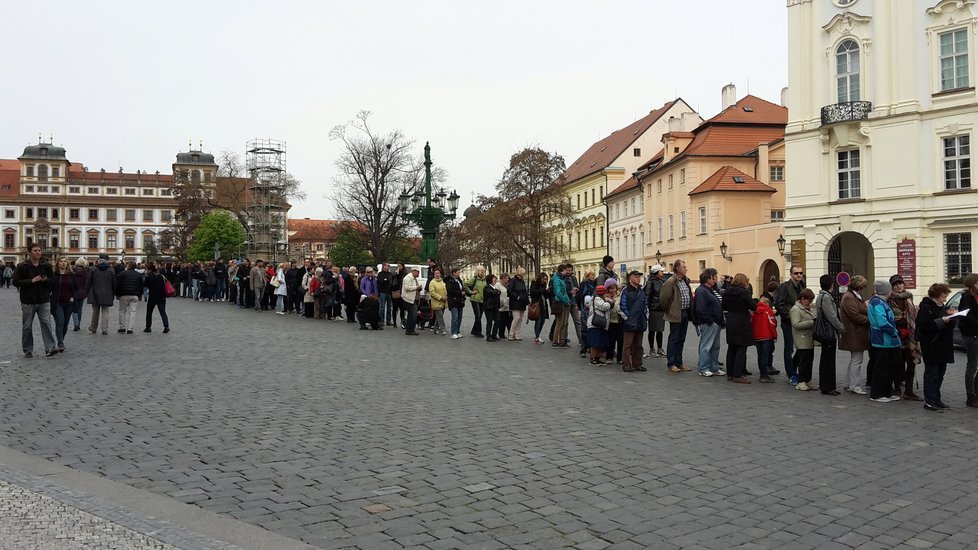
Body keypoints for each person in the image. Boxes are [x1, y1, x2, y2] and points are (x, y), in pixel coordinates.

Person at [916, 283, 956, 412]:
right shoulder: (926, 307)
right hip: (932, 346)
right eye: (944, 295)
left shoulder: (940, 307)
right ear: (937, 295)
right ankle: (929, 401)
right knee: (931, 374)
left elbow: (946, 324)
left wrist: (952, 317)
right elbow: (924, 327)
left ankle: (936, 399)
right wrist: (942, 321)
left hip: (943, 346)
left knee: (940, 374)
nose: (945, 298)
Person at [14, 244, 57, 357]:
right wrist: (31, 281)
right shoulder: (22, 266)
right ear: (29, 252)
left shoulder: (46, 266)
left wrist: (46, 280)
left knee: (46, 323)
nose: (38, 252)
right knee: (27, 326)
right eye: (35, 250)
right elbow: (16, 282)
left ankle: (50, 347)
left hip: (44, 299)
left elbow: (53, 281)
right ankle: (28, 350)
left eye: (39, 250)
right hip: (28, 300)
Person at [888, 274, 921, 401]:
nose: (899, 286)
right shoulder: (889, 299)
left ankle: (909, 390)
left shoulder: (909, 297)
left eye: (900, 283)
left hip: (910, 335)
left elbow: (913, 315)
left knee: (911, 362)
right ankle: (896, 387)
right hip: (896, 334)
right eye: (895, 284)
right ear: (892, 287)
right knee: (897, 362)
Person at [868, 280, 902, 403]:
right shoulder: (877, 302)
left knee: (889, 368)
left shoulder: (881, 301)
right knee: (881, 369)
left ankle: (887, 392)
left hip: (888, 342)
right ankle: (877, 394)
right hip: (882, 341)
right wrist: (894, 331)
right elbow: (882, 321)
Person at [659, 259, 693, 373]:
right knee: (674, 338)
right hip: (675, 313)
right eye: (684, 267)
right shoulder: (671, 281)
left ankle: (679, 362)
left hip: (685, 312)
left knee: (681, 339)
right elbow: (663, 298)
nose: (686, 269)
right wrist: (669, 310)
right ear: (678, 269)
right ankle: (672, 363)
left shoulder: (685, 280)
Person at [775, 265, 807, 385]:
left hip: (800, 321)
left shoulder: (801, 285)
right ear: (791, 274)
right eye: (796, 273)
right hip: (788, 322)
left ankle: (793, 367)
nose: (799, 275)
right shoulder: (784, 287)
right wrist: (789, 318)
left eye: (800, 273)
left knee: (801, 347)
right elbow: (779, 304)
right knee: (789, 348)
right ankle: (791, 374)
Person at [814, 274, 845, 396]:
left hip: (826, 331)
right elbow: (831, 316)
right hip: (828, 332)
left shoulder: (820, 296)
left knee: (826, 359)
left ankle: (826, 385)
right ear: (830, 284)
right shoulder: (826, 297)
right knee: (828, 360)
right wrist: (841, 327)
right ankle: (828, 386)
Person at [840, 276, 871, 395]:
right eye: (862, 286)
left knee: (855, 359)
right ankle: (855, 385)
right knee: (857, 360)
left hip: (857, 332)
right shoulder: (849, 297)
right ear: (857, 286)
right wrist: (871, 319)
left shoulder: (855, 295)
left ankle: (848, 383)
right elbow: (855, 316)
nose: (863, 288)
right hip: (853, 332)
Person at [723, 273, 755, 384]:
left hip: (731, 319)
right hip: (742, 320)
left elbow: (724, 305)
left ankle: (730, 374)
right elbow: (752, 306)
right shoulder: (744, 292)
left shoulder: (727, 291)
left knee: (731, 347)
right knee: (741, 348)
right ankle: (737, 374)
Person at [694, 270, 724, 377]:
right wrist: (709, 320)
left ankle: (714, 367)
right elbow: (700, 309)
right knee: (706, 346)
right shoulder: (701, 291)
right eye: (714, 277)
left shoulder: (710, 290)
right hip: (708, 323)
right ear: (708, 279)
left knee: (715, 347)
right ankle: (703, 368)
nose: (715, 279)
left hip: (716, 322)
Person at [618, 271, 649, 373]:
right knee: (627, 345)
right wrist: (628, 318)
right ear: (630, 278)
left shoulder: (641, 291)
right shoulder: (625, 291)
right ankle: (626, 364)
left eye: (639, 277)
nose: (638, 279)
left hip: (640, 321)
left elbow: (645, 306)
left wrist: (646, 316)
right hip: (630, 322)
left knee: (638, 345)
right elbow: (622, 306)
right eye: (636, 277)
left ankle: (637, 364)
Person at [958, 273, 978, 408]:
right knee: (972, 366)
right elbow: (966, 317)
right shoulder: (966, 298)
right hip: (971, 335)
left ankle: (976, 392)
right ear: (973, 284)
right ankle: (970, 396)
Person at [87, 254, 116, 335]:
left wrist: (86, 292)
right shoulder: (111, 270)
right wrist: (114, 293)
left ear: (99, 259)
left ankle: (93, 327)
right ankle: (104, 329)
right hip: (107, 293)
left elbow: (88, 282)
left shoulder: (94, 269)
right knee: (105, 311)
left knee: (95, 311)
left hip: (95, 292)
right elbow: (114, 283)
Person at [753, 292, 778, 383]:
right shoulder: (768, 311)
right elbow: (772, 324)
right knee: (765, 356)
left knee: (760, 356)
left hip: (757, 336)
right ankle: (764, 375)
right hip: (766, 336)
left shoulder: (755, 311)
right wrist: (775, 335)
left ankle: (762, 374)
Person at [51, 257, 75, 352]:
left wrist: (74, 296)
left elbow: (76, 288)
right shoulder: (53, 275)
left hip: (69, 302)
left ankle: (61, 340)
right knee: (60, 322)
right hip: (57, 302)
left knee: (65, 324)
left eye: (65, 261)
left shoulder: (71, 275)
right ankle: (60, 342)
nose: (63, 263)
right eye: (61, 261)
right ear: (58, 263)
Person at [587, 285, 613, 366]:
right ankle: (593, 358)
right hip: (595, 324)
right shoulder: (597, 299)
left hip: (601, 324)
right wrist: (610, 302)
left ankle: (597, 358)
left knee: (600, 343)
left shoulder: (601, 299)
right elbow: (604, 307)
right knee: (595, 343)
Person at [645, 264, 666, 358]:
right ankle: (652, 349)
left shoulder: (662, 281)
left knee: (660, 330)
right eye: (661, 271)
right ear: (656, 273)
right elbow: (647, 295)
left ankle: (660, 348)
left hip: (661, 308)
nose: (663, 272)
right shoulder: (650, 282)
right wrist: (647, 308)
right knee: (652, 330)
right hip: (653, 308)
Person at [142, 262, 170, 333]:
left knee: (149, 312)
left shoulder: (149, 277)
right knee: (162, 312)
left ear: (149, 270)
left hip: (152, 296)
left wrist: (146, 275)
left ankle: (148, 327)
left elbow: (145, 285)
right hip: (161, 296)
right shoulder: (161, 276)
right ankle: (166, 326)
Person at [116, 262, 142, 334]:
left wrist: (117, 294)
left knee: (122, 311)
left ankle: (122, 327)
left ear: (128, 266)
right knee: (132, 312)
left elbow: (118, 285)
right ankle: (130, 328)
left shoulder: (122, 274)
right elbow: (141, 286)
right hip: (134, 295)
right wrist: (139, 295)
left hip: (124, 294)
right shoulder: (138, 275)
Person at [551, 265, 572, 347]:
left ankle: (562, 340)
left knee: (564, 322)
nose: (566, 272)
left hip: (564, 302)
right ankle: (555, 340)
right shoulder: (557, 279)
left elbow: (564, 292)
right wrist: (566, 300)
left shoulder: (561, 278)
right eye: (565, 270)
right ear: (561, 271)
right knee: (559, 322)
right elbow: (558, 293)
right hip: (559, 302)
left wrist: (567, 300)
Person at [529, 272, 551, 345]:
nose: (544, 281)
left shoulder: (544, 284)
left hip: (543, 304)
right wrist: (543, 289)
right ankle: (537, 337)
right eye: (543, 279)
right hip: (537, 304)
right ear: (540, 278)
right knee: (538, 320)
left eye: (546, 279)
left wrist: (547, 292)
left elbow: (545, 295)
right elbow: (533, 293)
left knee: (543, 321)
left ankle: (537, 335)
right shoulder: (534, 283)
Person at [507, 268, 528, 341]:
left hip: (522, 302)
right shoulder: (513, 280)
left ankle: (517, 334)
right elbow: (509, 290)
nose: (524, 275)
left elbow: (525, 291)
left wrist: (527, 301)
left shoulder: (522, 281)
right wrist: (516, 297)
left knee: (520, 319)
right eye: (523, 273)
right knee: (516, 318)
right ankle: (511, 334)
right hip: (515, 302)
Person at [466, 266, 488, 338]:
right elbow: (465, 285)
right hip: (475, 299)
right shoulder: (474, 279)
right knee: (478, 316)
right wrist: (471, 292)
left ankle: (474, 330)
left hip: (482, 300)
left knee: (479, 316)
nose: (483, 273)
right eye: (481, 271)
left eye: (484, 271)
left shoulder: (485, 280)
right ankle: (478, 332)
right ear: (478, 271)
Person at [446, 267, 466, 339]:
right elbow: (450, 291)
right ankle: (453, 332)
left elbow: (462, 288)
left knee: (460, 317)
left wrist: (463, 292)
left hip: (460, 301)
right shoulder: (449, 281)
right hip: (453, 301)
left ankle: (457, 331)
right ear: (454, 273)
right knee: (455, 317)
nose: (459, 274)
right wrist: (460, 293)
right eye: (458, 272)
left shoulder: (459, 280)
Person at [70, 258, 89, 331]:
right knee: (79, 309)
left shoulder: (72, 271)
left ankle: (76, 324)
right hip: (82, 293)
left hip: (74, 292)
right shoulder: (86, 272)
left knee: (74, 309)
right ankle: (78, 324)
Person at [402, 267, 422, 336]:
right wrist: (416, 287)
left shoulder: (414, 278)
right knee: (413, 315)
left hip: (414, 298)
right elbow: (407, 287)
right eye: (417, 272)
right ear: (413, 271)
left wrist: (419, 289)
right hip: (409, 299)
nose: (418, 273)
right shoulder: (408, 278)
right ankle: (410, 330)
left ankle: (410, 329)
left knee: (411, 315)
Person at [428, 269, 448, 335]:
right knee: (440, 316)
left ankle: (435, 328)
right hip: (436, 302)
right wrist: (440, 297)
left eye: (438, 273)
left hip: (444, 302)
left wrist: (446, 297)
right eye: (435, 273)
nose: (437, 274)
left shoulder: (443, 282)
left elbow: (445, 290)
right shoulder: (432, 282)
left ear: (440, 274)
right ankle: (443, 329)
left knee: (438, 316)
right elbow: (432, 292)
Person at [483, 274, 502, 342]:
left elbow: (497, 293)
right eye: (494, 279)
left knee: (497, 321)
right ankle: (488, 336)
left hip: (495, 307)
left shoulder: (494, 288)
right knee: (489, 321)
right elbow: (492, 293)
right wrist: (496, 292)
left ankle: (494, 334)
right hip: (488, 307)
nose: (495, 280)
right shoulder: (486, 288)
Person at [391, 263, 407, 328]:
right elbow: (392, 280)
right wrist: (396, 274)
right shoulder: (395, 273)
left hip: (402, 292)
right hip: (395, 292)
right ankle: (394, 323)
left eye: (400, 266)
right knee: (394, 308)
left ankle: (402, 323)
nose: (399, 267)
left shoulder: (405, 273)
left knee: (402, 309)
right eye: (398, 266)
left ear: (403, 266)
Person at [496, 273, 511, 340]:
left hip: (508, 306)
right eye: (507, 278)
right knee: (502, 320)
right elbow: (497, 295)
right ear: (503, 278)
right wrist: (501, 302)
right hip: (501, 306)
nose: (508, 280)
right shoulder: (498, 285)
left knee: (508, 320)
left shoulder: (507, 285)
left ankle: (509, 333)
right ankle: (501, 333)